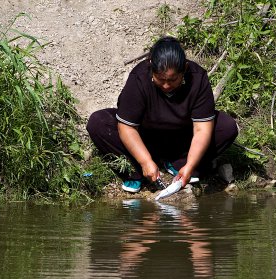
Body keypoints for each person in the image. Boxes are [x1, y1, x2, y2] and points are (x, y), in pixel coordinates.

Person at [87, 36, 238, 193]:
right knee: (98, 122)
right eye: (160, 79)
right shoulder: (139, 78)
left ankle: (180, 165)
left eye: (173, 80)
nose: (166, 85)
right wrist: (145, 161)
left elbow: (202, 129)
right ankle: (136, 171)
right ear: (151, 67)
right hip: (144, 139)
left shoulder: (197, 78)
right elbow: (127, 127)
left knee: (226, 127)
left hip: (182, 140)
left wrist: (190, 165)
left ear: (185, 69)